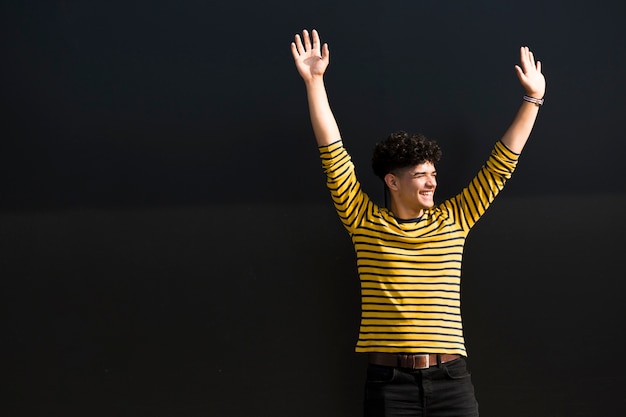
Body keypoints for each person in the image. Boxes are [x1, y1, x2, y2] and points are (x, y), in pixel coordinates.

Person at [290, 29, 546, 417]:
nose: (432, 182)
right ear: (392, 181)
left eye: (433, 173)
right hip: (388, 386)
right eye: (420, 175)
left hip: (452, 382)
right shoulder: (364, 221)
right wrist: (315, 82)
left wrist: (533, 99)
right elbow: (332, 153)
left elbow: (501, 165)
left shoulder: (455, 219)